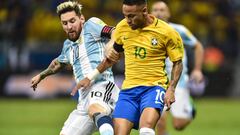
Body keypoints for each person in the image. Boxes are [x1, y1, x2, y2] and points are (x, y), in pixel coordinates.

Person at [71, 0, 184, 134]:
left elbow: (177, 62)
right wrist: (90, 77)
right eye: (125, 15)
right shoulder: (122, 27)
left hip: (154, 87)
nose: (128, 20)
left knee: (146, 130)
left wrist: (171, 89)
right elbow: (112, 58)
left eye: (131, 16)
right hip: (128, 91)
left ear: (144, 11)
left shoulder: (167, 32)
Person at [30, 1, 119, 135]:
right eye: (64, 23)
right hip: (83, 99)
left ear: (81, 18)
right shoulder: (67, 45)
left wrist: (111, 43)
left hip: (102, 86)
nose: (69, 26)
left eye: (72, 21)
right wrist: (42, 75)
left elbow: (114, 31)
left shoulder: (91, 25)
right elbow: (57, 64)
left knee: (95, 108)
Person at [151, 1, 204, 135]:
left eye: (162, 10)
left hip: (179, 82)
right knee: (159, 122)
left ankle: (190, 110)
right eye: (156, 9)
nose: (159, 12)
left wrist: (197, 70)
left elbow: (198, 46)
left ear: (168, 13)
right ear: (150, 13)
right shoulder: (147, 32)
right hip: (158, 83)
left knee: (178, 125)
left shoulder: (178, 30)